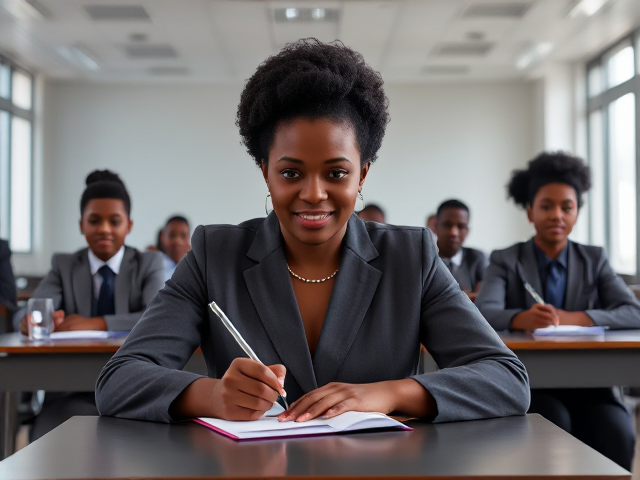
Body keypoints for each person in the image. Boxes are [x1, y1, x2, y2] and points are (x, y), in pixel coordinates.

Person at [96, 39, 529, 427]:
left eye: (337, 173)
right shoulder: (216, 254)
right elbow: (118, 379)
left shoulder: (410, 255)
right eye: (291, 172)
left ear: (362, 176)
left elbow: (507, 380)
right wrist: (211, 394)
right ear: (266, 173)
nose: (314, 194)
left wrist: (388, 393)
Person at [475, 151, 640, 470]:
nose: (557, 215)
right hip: (530, 382)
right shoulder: (505, 259)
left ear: (578, 212)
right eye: (546, 206)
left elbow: (633, 312)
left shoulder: (595, 259)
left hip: (592, 382)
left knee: (617, 430)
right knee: (555, 424)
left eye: (567, 207)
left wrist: (575, 318)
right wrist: (521, 318)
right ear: (529, 212)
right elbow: (483, 311)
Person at [15, 170, 164, 440]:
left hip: (132, 392)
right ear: (81, 225)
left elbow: (158, 316)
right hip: (68, 394)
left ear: (128, 226)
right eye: (94, 221)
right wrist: (30, 321)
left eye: (114, 221)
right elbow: (33, 310)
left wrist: (96, 323)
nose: (104, 229)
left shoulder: (148, 264)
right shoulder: (64, 265)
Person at [434, 199, 488, 298]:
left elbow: (484, 299)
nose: (453, 232)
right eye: (447, 225)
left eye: (461, 226)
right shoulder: (425, 258)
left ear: (467, 230)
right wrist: (467, 296)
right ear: (436, 227)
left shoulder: (477, 258)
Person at [159, 215, 191, 281]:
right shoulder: (154, 268)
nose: (178, 241)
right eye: (172, 235)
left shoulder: (197, 272)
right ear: (162, 237)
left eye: (183, 236)